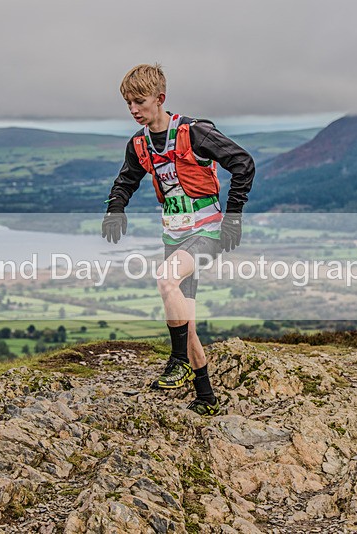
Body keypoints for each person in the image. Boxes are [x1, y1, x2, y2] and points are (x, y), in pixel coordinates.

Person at [102, 64, 255, 416]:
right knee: (186, 318)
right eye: (128, 103)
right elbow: (126, 180)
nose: (133, 110)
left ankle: (177, 361)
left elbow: (243, 163)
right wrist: (115, 208)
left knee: (165, 279)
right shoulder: (139, 143)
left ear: (160, 99)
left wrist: (233, 216)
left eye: (139, 102)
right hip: (174, 233)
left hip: (208, 231)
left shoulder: (194, 132)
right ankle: (205, 396)